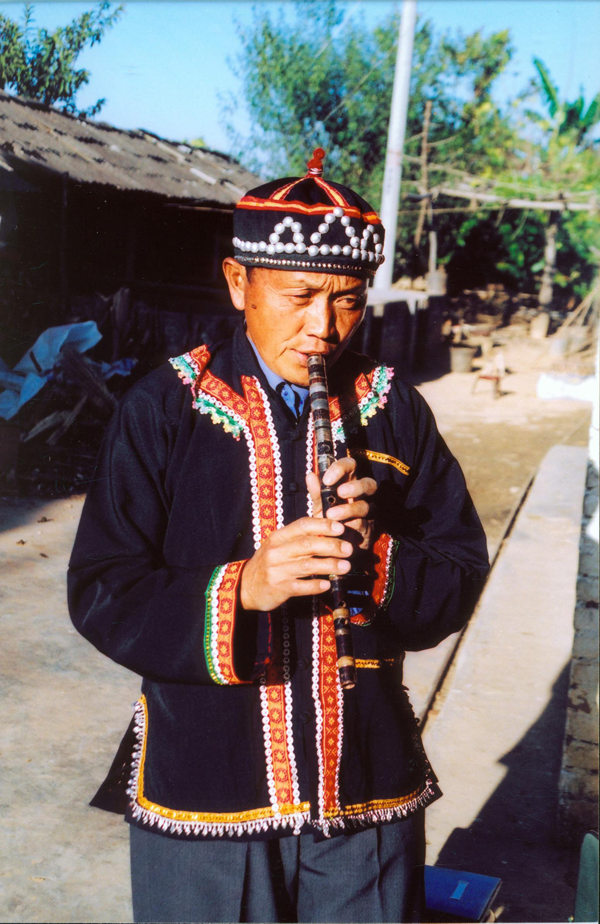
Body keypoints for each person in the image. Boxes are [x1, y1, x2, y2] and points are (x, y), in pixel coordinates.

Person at [68, 148, 489, 924]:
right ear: (239, 284)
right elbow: (103, 590)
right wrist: (246, 587)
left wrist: (377, 553)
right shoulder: (165, 407)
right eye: (299, 296)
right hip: (206, 787)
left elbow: (460, 573)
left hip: (366, 788)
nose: (323, 328)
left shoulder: (393, 407)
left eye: (348, 302)